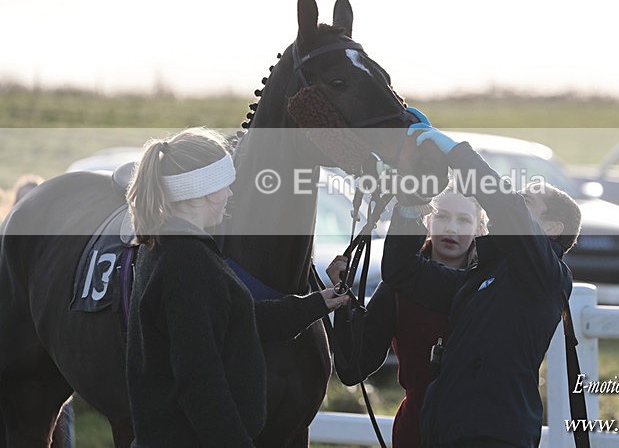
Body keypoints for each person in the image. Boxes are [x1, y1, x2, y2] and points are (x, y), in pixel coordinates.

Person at [125, 127, 348, 447]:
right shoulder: (187, 262)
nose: (230, 195)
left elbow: (232, 318)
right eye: (223, 186)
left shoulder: (167, 247)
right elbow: (199, 381)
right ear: (200, 191)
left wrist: (317, 303)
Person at [381, 120, 581, 448]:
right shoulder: (478, 281)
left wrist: (458, 154)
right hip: (445, 435)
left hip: (494, 437)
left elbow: (506, 207)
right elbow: (402, 272)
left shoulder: (547, 277)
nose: (514, 202)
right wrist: (410, 203)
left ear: (551, 229)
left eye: (527, 202)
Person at [325, 186, 487, 448]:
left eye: (464, 219)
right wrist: (343, 298)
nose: (451, 227)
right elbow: (354, 367)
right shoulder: (397, 287)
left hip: (480, 429)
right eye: (442, 216)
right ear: (427, 220)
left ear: (480, 229)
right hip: (416, 430)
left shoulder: (494, 287)